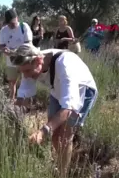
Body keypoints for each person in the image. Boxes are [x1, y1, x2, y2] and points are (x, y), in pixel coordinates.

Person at [9, 43, 98, 177]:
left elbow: (68, 109)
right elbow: (23, 100)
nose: (26, 76)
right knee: (55, 135)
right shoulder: (29, 63)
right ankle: (61, 161)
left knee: (64, 136)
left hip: (82, 92)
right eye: (22, 72)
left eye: (27, 71)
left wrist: (42, 131)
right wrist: (10, 117)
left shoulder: (64, 66)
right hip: (57, 92)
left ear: (39, 60)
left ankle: (63, 174)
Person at [0, 8, 33, 102]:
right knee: (12, 81)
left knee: (26, 81)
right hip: (10, 61)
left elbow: (28, 44)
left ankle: (26, 102)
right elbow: (1, 45)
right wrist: (4, 49)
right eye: (8, 23)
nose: (10, 25)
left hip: (24, 60)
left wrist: (15, 51)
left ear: (17, 18)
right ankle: (12, 99)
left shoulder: (24, 27)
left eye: (12, 23)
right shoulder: (3, 30)